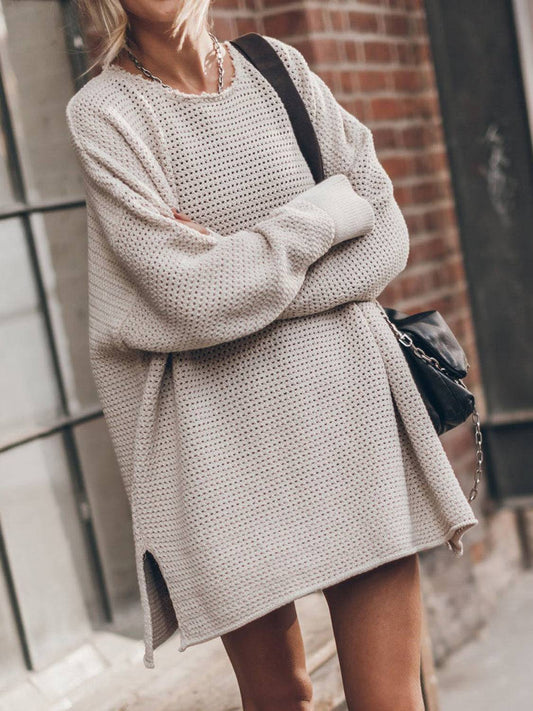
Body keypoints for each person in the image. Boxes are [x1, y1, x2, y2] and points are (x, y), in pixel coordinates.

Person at [66, 1, 479, 709]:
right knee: (279, 698)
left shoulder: (277, 68)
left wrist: (234, 267)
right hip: (218, 452)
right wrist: (323, 213)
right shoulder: (104, 113)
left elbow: (383, 238)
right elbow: (191, 295)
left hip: (350, 419)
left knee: (391, 701)